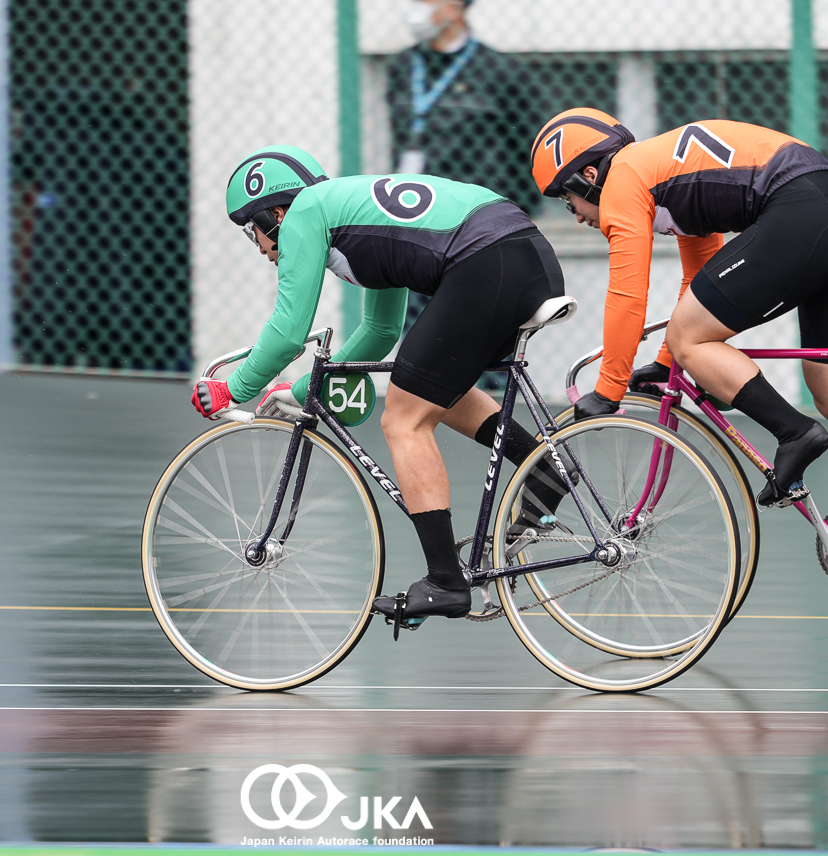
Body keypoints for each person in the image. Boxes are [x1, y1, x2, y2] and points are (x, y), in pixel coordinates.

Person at [530, 108, 828, 599]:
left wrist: (608, 388)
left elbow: (627, 293)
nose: (573, 214)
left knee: (693, 338)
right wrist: (665, 363)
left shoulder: (624, 180)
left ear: (590, 175)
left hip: (802, 215)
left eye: (566, 197)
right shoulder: (669, 181)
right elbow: (698, 278)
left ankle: (795, 433)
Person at [189, 146, 572, 623]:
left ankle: (445, 582)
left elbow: (289, 331)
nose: (263, 250)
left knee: (403, 421)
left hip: (487, 261)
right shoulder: (351, 213)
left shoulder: (307, 213)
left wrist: (234, 389)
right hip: (522, 253)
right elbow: (380, 331)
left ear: (276, 214)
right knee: (429, 386)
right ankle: (544, 467)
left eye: (253, 233)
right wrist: (306, 386)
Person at [386, 0, 541, 211]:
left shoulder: (501, 72)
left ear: (455, 6)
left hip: (476, 214)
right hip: (413, 208)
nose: (413, 7)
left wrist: (513, 215)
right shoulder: (402, 65)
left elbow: (526, 149)